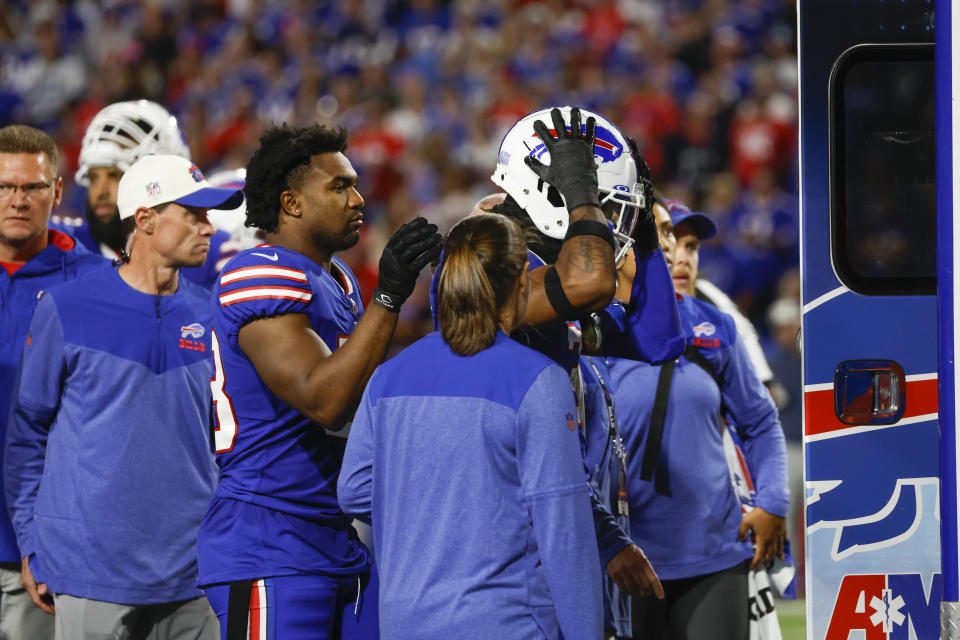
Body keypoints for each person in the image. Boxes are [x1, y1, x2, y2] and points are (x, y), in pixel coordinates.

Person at [196, 124, 442, 640]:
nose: (358, 199)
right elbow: (323, 399)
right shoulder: (258, 271)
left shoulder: (339, 279)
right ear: (292, 203)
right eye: (339, 186)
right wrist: (391, 297)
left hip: (334, 535)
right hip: (269, 539)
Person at [5, 153, 243, 639]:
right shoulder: (67, 308)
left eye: (209, 217)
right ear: (146, 218)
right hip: (89, 572)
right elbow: (27, 436)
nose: (208, 229)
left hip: (193, 575)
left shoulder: (214, 313)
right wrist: (32, 544)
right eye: (194, 214)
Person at [339, 213, 602, 639]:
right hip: (506, 622)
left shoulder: (389, 375)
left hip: (405, 623)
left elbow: (354, 490)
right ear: (522, 280)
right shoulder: (538, 379)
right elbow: (564, 535)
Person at [605, 200, 789, 640]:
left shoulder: (717, 324)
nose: (678, 253)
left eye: (688, 244)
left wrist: (774, 502)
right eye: (664, 236)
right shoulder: (598, 328)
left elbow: (761, 421)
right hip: (623, 553)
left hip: (713, 555)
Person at [0, 124, 107, 640]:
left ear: (57, 192)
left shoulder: (96, 284)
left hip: (47, 548)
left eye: (32, 187)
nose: (18, 200)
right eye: (4, 187)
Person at [64, 99, 242, 289]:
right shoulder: (67, 247)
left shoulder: (212, 250)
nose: (100, 192)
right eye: (93, 178)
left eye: (116, 176)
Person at [662, 198, 776, 389]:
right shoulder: (620, 302)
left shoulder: (713, 298)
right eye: (671, 244)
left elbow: (764, 387)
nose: (683, 259)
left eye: (690, 246)